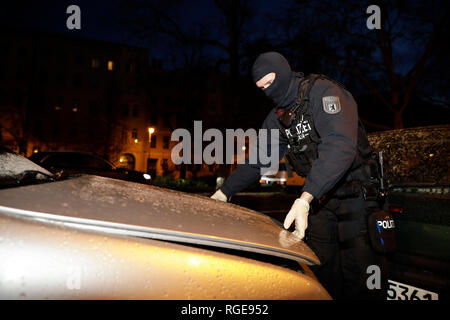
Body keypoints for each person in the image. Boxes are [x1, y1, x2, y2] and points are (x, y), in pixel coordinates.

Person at [210, 52, 386, 299]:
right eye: (262, 88)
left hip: (357, 196)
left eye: (270, 83)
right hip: (321, 202)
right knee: (321, 276)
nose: (268, 91)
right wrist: (223, 192)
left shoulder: (323, 92)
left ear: (283, 73)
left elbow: (340, 145)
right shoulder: (276, 119)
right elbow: (259, 161)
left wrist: (304, 198)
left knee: (363, 280)